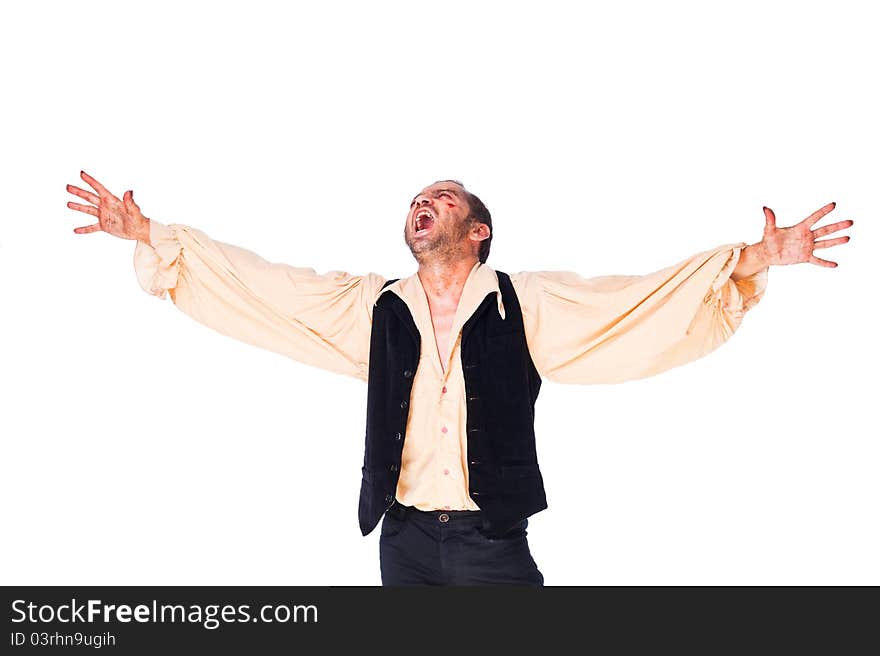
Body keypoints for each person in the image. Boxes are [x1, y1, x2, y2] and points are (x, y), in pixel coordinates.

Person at [66, 171, 853, 586]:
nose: (423, 202)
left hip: (490, 546)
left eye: (441, 198)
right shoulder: (373, 309)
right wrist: (151, 234)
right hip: (402, 543)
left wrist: (749, 261)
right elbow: (267, 287)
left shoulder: (526, 303)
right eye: (417, 198)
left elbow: (633, 303)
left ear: (476, 231)